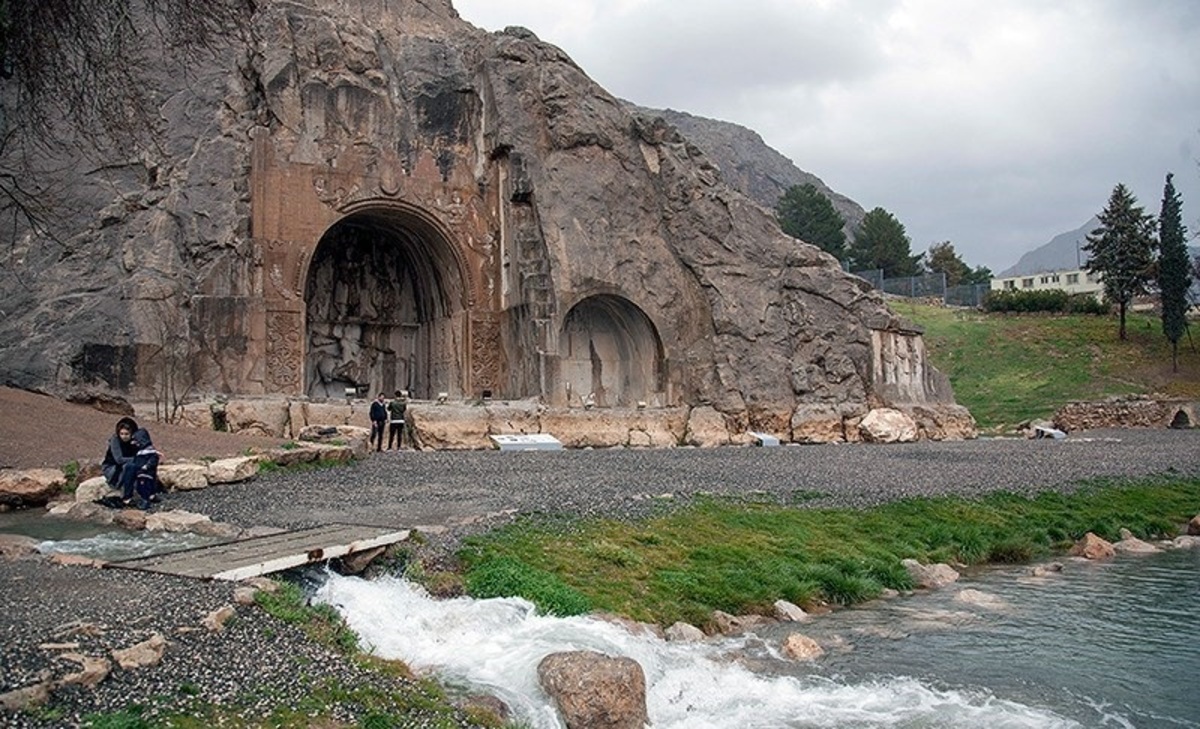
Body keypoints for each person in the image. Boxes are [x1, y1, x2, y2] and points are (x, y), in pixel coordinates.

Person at [122, 427, 161, 510]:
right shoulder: (140, 452)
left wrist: (147, 466)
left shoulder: (150, 452)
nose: (134, 443)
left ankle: (146, 499)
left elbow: (153, 460)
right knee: (129, 469)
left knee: (144, 484)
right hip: (139, 470)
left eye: (137, 441)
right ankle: (127, 497)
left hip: (146, 472)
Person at [101, 417, 139, 491]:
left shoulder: (136, 440)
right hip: (113, 467)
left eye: (127, 434)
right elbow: (119, 459)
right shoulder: (115, 440)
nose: (124, 437)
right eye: (121, 434)